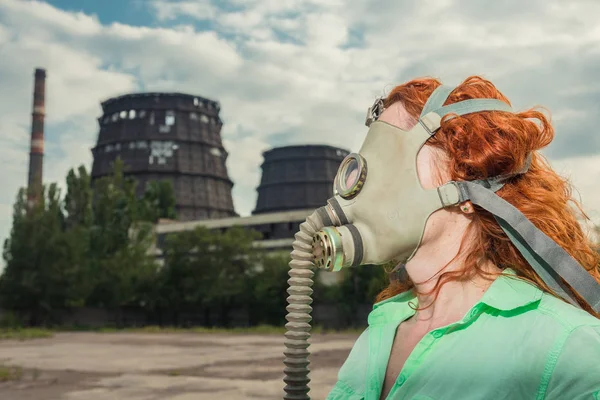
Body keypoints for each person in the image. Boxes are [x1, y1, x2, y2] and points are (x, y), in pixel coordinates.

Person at [324, 76, 600, 399]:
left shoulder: (566, 348)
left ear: (467, 179)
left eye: (390, 153)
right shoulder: (379, 330)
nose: (366, 180)